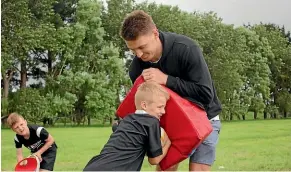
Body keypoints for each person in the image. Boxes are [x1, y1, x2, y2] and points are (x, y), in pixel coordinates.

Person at [120, 10, 222, 171]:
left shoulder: (186, 48)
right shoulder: (136, 68)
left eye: (142, 47)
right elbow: (146, 107)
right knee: (165, 168)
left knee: (198, 170)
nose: (138, 54)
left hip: (206, 119)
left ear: (155, 33)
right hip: (171, 124)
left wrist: (166, 79)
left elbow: (205, 94)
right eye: (133, 50)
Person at [83, 81, 171, 171]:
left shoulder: (127, 119)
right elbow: (154, 160)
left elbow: (116, 127)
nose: (163, 111)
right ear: (144, 105)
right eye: (160, 107)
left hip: (93, 166)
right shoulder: (152, 122)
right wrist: (168, 143)